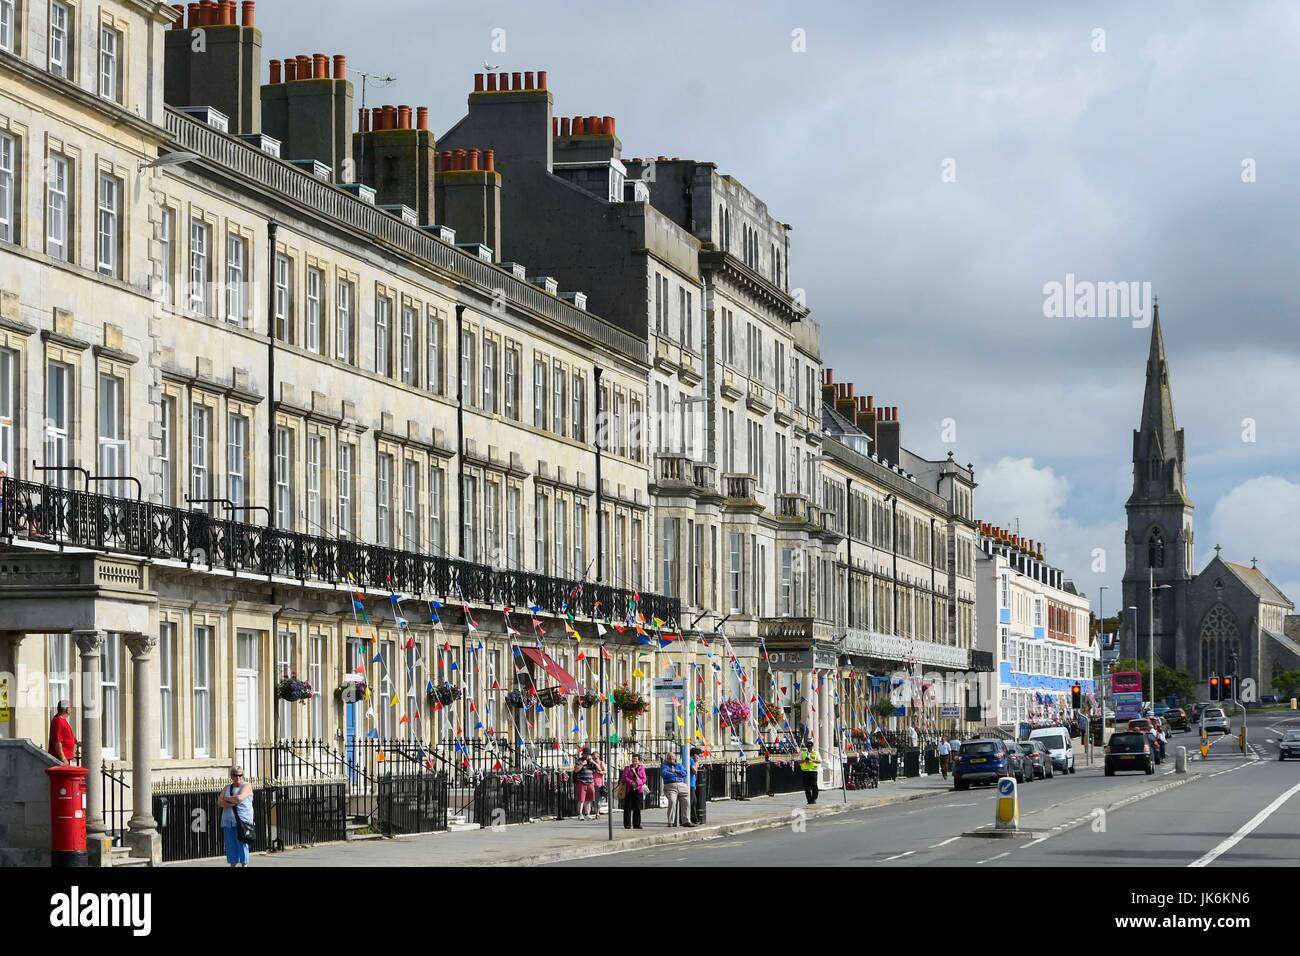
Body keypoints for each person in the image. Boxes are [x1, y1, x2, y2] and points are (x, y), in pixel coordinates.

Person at [217, 766, 254, 867]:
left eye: (240, 775)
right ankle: (233, 864)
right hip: (228, 820)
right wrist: (233, 801)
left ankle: (244, 864)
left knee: (242, 844)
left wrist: (227, 800)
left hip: (242, 821)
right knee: (230, 845)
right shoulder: (227, 787)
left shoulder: (247, 786)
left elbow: (239, 798)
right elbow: (220, 802)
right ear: (231, 776)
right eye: (235, 775)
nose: (238, 777)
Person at [660, 752, 692, 826]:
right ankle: (670, 821)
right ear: (667, 758)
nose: (672, 758)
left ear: (675, 758)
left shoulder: (679, 765)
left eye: (673, 757)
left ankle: (686, 821)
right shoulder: (664, 766)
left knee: (686, 802)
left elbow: (684, 773)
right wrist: (676, 774)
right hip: (670, 786)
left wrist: (676, 771)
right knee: (672, 802)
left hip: (681, 785)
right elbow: (664, 774)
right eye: (670, 757)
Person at [620, 754, 647, 829]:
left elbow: (644, 779)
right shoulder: (627, 768)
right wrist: (632, 783)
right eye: (633, 759)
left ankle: (637, 824)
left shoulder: (641, 768)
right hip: (629, 789)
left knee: (637, 807)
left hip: (638, 789)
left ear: (639, 761)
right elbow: (625, 777)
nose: (634, 761)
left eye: (636, 760)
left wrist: (638, 783)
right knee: (627, 807)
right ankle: (627, 824)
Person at [47, 699, 77, 765]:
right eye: (70, 707)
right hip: (60, 759)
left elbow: (67, 736)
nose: (71, 709)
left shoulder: (62, 720)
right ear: (67, 709)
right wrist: (63, 758)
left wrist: (77, 742)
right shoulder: (58, 721)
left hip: (65, 757)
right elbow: (57, 741)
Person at [574, 748, 599, 819]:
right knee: (581, 799)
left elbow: (599, 769)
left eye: (588, 755)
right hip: (582, 782)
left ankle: (587, 813)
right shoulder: (579, 760)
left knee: (589, 799)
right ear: (583, 754)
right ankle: (580, 814)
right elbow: (576, 770)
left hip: (590, 782)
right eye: (586, 754)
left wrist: (593, 762)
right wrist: (582, 764)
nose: (587, 756)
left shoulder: (591, 762)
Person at [799, 738, 821, 805]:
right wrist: (804, 760)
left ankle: (814, 798)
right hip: (805, 772)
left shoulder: (816, 753)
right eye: (808, 747)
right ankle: (809, 800)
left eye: (810, 747)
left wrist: (811, 759)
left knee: (814, 786)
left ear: (812, 747)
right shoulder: (803, 753)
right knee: (806, 787)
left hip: (813, 771)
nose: (809, 748)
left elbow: (819, 761)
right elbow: (798, 761)